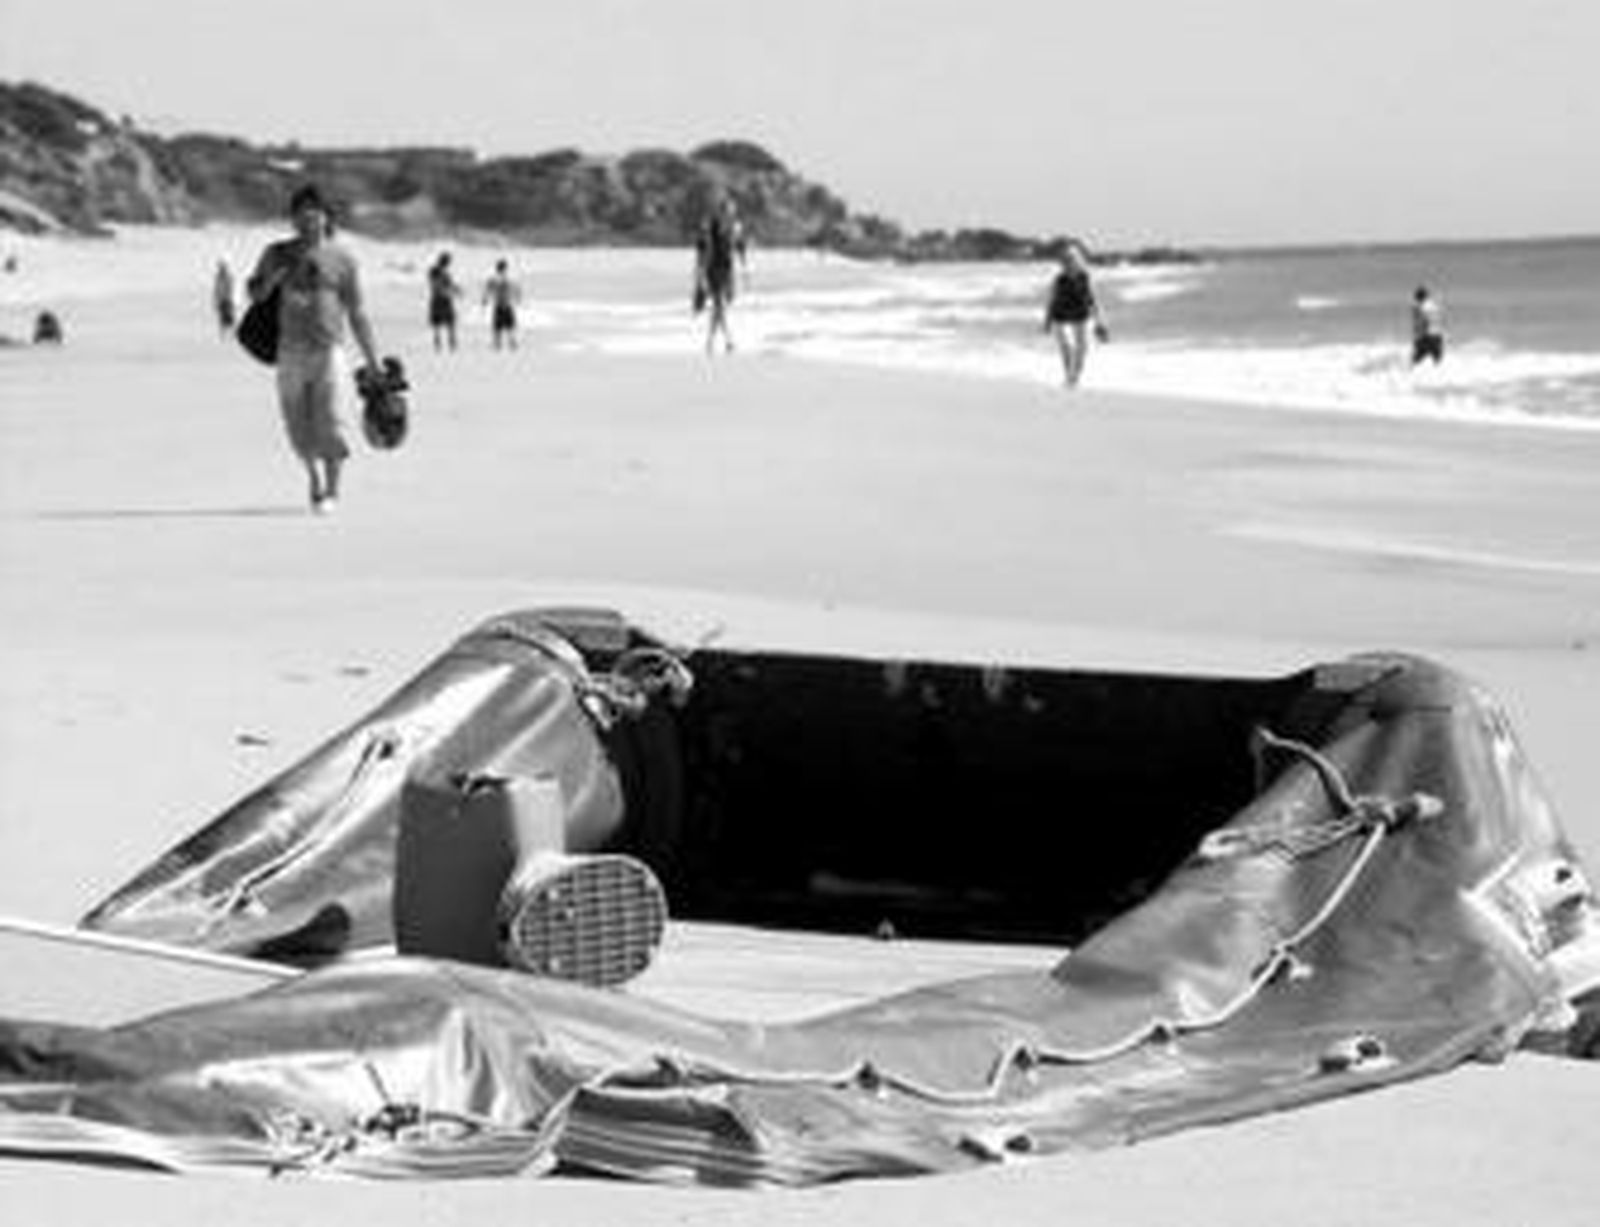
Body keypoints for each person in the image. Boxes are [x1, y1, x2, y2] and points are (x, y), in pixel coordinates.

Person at [246, 184, 384, 514]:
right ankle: (314, 477)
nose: (307, 222)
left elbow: (357, 312)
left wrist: (373, 360)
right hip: (289, 352)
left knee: (333, 421)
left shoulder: (343, 259)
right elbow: (254, 295)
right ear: (293, 220)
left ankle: (332, 491)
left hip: (329, 351)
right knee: (298, 427)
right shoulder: (276, 254)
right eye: (300, 216)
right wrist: (271, 280)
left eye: (314, 215)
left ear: (326, 218)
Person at [1042, 242, 1109, 388]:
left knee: (1083, 347)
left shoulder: (1086, 277)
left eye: (1071, 258)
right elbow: (1051, 300)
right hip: (1060, 315)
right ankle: (1068, 376)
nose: (1068, 262)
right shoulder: (1059, 279)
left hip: (1080, 313)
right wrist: (1046, 321)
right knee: (1066, 346)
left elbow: (1094, 300)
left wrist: (1101, 322)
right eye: (1065, 259)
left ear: (1079, 259)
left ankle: (1075, 378)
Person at [693, 196, 747, 355]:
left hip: (728, 270)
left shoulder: (736, 227)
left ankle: (712, 342)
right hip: (713, 269)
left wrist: (744, 266)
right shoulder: (711, 226)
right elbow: (701, 247)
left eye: (730, 210)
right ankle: (725, 340)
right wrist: (700, 271)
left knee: (723, 304)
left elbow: (740, 246)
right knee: (719, 305)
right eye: (725, 210)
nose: (728, 213)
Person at [483, 258, 522, 350]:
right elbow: (517, 289)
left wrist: (485, 299)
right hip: (507, 305)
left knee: (498, 326)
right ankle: (511, 342)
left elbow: (488, 290)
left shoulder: (493, 279)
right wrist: (517, 298)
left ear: (497, 268)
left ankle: (497, 343)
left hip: (499, 305)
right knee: (510, 325)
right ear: (505, 268)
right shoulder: (509, 279)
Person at [427, 252, 461, 351]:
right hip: (444, 299)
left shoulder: (433, 271)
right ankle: (452, 345)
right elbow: (448, 285)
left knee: (436, 325)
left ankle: (438, 346)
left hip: (435, 299)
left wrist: (456, 290)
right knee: (451, 323)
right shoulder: (444, 273)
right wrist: (456, 290)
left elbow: (435, 284)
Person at [1411, 285, 1445, 366]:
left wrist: (1417, 339)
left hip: (1427, 337)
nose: (1416, 300)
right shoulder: (1434, 306)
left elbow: (1422, 323)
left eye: (1416, 298)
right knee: (1437, 363)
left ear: (1419, 297)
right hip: (1438, 336)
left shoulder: (1419, 307)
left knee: (1415, 363)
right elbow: (1438, 320)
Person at [212, 258, 236, 337]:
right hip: (221, 300)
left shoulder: (228, 277)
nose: (220, 269)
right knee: (222, 317)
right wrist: (216, 300)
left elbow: (230, 288)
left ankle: (232, 332)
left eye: (222, 267)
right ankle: (223, 333)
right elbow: (216, 289)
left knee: (229, 317)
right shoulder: (218, 277)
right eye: (220, 267)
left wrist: (229, 298)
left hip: (227, 299)